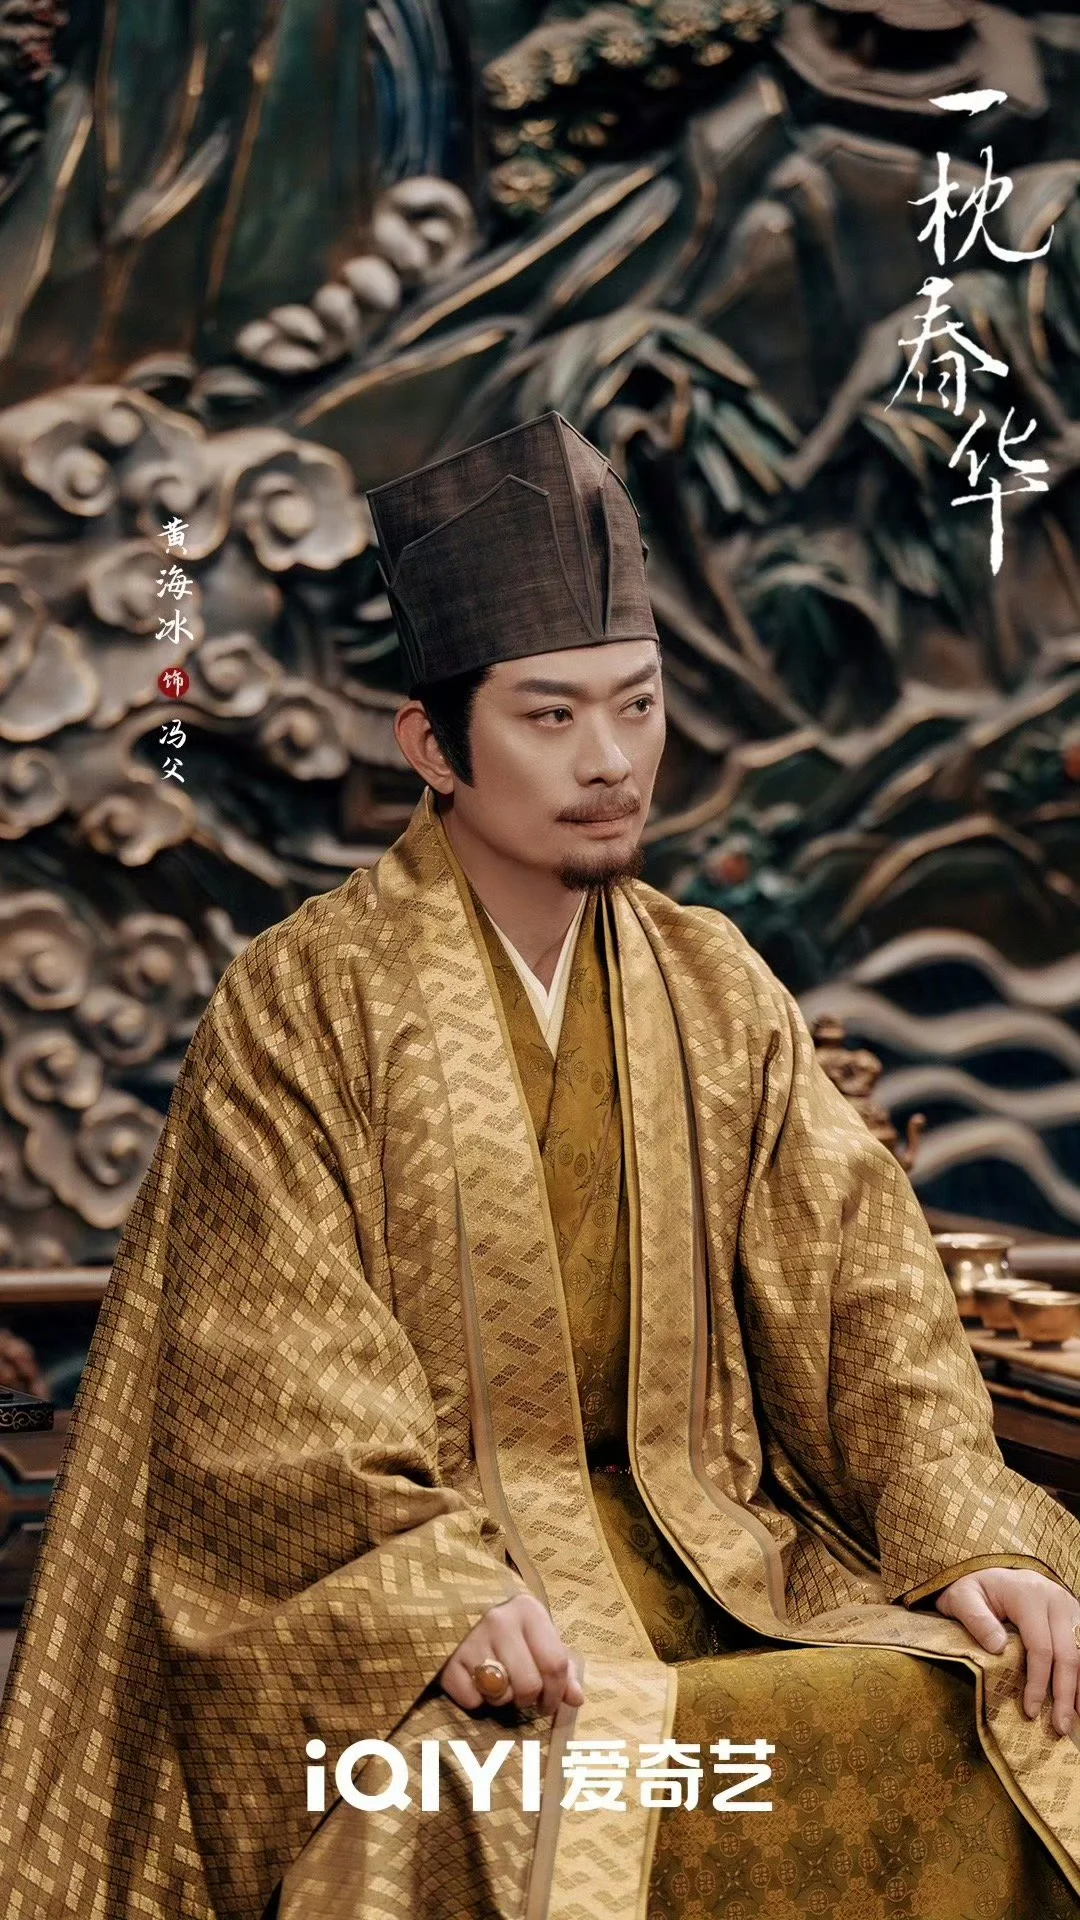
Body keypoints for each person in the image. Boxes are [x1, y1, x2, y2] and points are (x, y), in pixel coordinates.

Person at [0, 412, 1078, 1920]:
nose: (610, 762)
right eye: (550, 716)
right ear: (432, 745)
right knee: (481, 1792)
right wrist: (430, 1587)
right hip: (451, 1590)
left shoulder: (717, 985)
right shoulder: (303, 1002)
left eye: (636, 706)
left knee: (1002, 1692)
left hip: (718, 1560)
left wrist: (961, 1529)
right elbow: (273, 1379)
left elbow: (867, 1307)